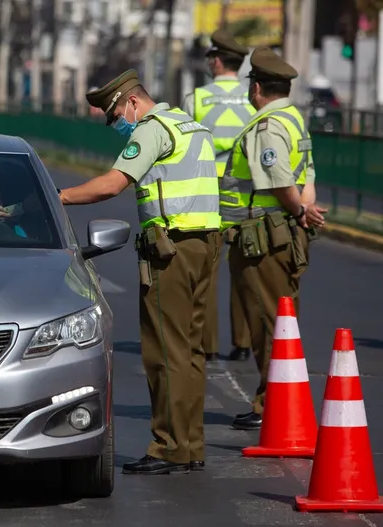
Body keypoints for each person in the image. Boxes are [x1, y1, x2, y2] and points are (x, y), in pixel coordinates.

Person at [58, 70, 221, 475]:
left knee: (164, 351)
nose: (117, 125)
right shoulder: (190, 124)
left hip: (171, 250)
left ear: (132, 102)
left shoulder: (151, 130)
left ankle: (168, 446)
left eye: (115, 116)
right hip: (205, 245)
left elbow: (111, 185)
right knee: (191, 351)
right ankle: (190, 444)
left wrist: (57, 196)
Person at [219, 48, 327, 431]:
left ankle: (270, 404)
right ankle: (279, 398)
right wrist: (303, 212)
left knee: (268, 322)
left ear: (258, 87)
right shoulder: (294, 119)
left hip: (262, 235)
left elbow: (279, 179)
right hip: (284, 230)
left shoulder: (266, 127)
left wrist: (298, 211)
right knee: (282, 318)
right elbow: (307, 172)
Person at [182, 30, 255, 363]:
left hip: (207, 193)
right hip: (245, 192)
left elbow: (185, 150)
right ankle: (243, 342)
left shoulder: (196, 99)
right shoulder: (255, 97)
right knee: (245, 267)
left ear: (215, 60)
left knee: (206, 269)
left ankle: (207, 345)